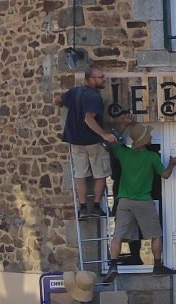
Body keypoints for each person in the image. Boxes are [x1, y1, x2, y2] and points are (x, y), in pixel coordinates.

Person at [103, 117, 176, 283]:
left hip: (124, 201)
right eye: (148, 135)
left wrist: (124, 125)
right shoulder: (152, 157)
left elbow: (111, 141)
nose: (151, 137)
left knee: (118, 235)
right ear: (144, 140)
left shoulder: (124, 153)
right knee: (155, 235)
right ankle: (157, 266)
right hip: (144, 201)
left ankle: (113, 266)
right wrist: (172, 163)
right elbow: (165, 175)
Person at [54, 66, 118, 219]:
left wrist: (62, 106)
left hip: (76, 142)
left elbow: (57, 99)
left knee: (80, 175)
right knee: (100, 174)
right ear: (90, 79)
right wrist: (104, 135)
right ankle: (96, 207)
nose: (104, 79)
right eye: (101, 77)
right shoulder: (94, 97)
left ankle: (83, 208)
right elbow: (89, 119)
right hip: (93, 142)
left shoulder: (74, 92)